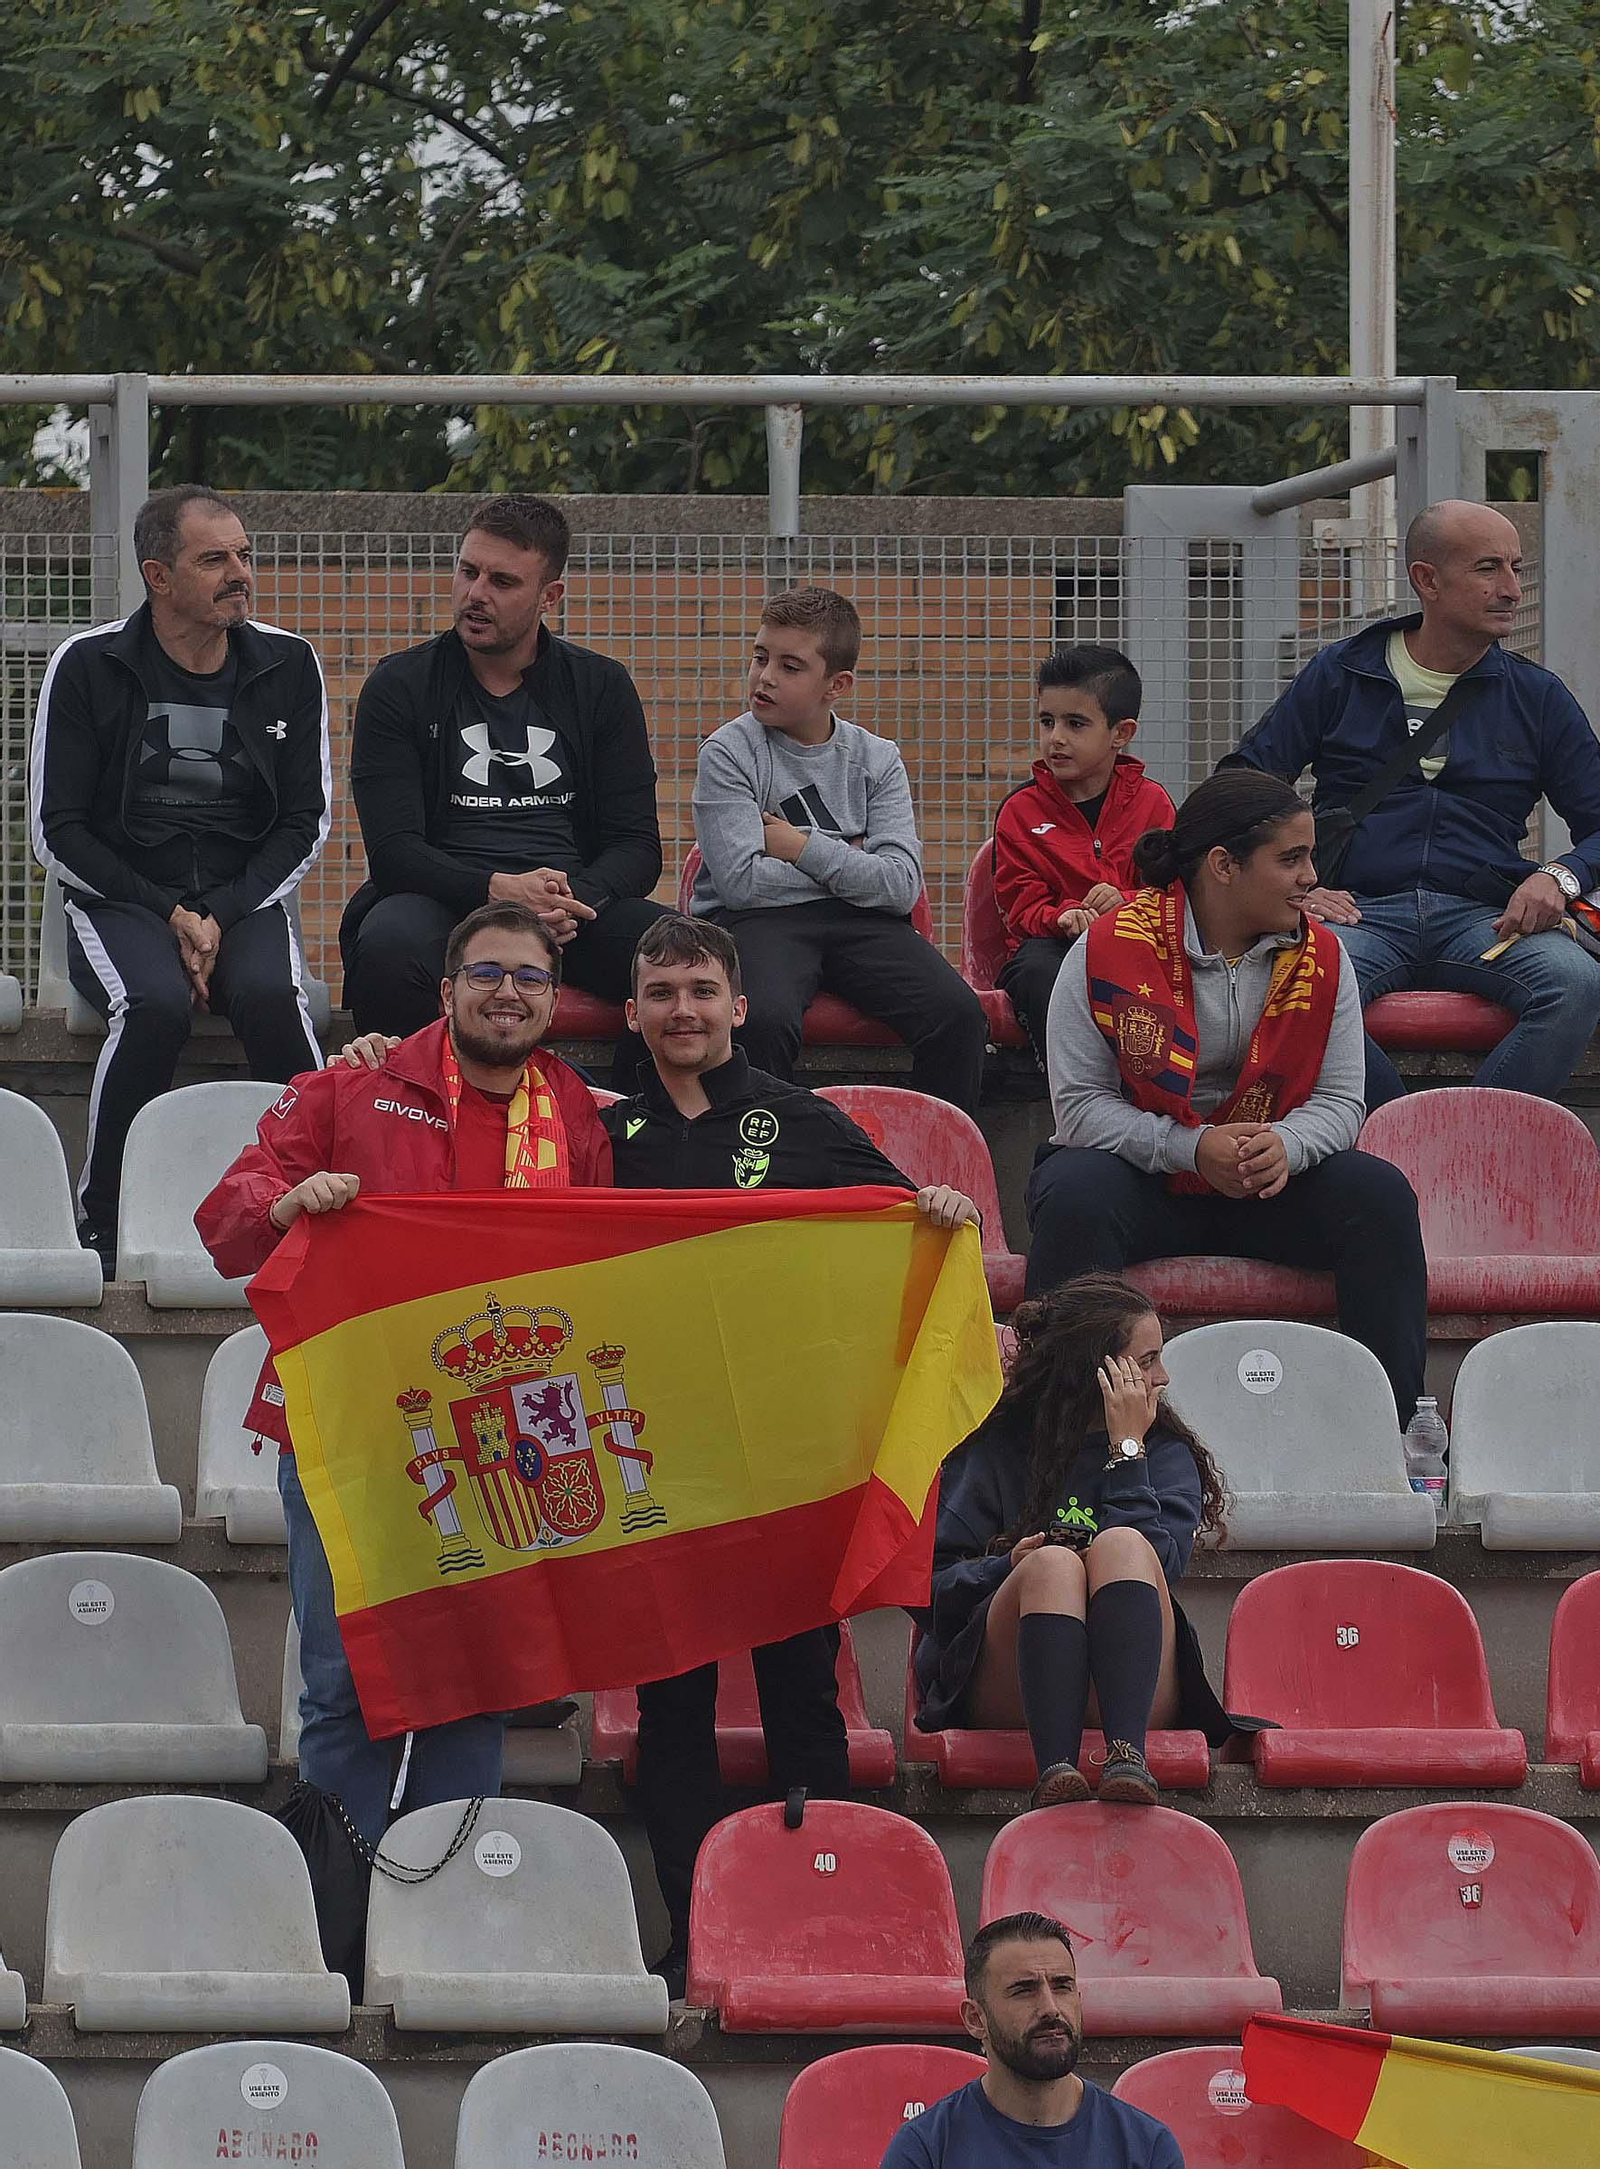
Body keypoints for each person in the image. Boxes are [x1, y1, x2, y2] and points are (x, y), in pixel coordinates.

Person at [601, 911, 982, 1990]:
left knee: (801, 1702)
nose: (683, 1011)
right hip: (657, 1465)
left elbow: (895, 1221)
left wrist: (938, 1210)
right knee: (670, 1711)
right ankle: (695, 1936)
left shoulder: (796, 1119)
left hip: (781, 1463)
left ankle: (828, 1928)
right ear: (633, 1015)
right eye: (662, 994)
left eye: (701, 992)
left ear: (739, 1007)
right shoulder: (604, 1139)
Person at [193, 901, 611, 1848]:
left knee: (475, 1688)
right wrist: (287, 1200)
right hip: (356, 1426)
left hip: (513, 1435)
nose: (509, 991)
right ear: (447, 989)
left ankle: (443, 1923)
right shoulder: (353, 1085)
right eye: (488, 972)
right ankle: (340, 1929)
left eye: (530, 977)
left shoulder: (580, 1115)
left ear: (555, 999)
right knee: (344, 1686)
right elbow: (224, 1213)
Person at [1024, 769, 1427, 1429]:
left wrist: (1288, 1146)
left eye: (1310, 857)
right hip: (1143, 1181)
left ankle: (1392, 1440)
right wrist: (1188, 1148)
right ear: (1223, 865)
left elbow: (1340, 1102)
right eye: (1290, 858)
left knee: (1377, 1194)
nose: (1310, 876)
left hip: (1264, 1187)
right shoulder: (1107, 949)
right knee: (1075, 1191)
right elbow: (1081, 1109)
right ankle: (1054, 1440)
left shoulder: (1325, 957)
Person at [29, 484, 329, 1269]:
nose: (241, 572)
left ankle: (321, 1197)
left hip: (242, 895)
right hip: (121, 893)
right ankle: (102, 1221)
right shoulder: (89, 664)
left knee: (273, 996)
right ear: (159, 577)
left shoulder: (289, 663)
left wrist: (219, 914)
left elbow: (307, 820)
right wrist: (171, 913)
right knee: (154, 1003)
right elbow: (58, 830)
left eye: (244, 554)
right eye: (215, 559)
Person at [1225, 498, 1600, 1105]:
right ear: (1426, 579)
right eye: (1488, 569)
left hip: (1485, 918)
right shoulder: (1341, 673)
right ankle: (1399, 1144)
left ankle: (1468, 1143)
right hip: (1356, 911)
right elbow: (1241, 788)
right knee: (1292, 985)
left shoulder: (1537, 697)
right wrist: (1293, 890)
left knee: (1577, 983)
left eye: (1516, 568)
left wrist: (1558, 878)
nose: (1510, 589)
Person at [338, 493, 665, 1070]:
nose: (475, 594)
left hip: (570, 908)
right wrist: (500, 890)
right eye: (468, 571)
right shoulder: (400, 686)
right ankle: (407, 1118)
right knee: (389, 942)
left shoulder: (601, 688)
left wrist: (573, 901)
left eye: (503, 581)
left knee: (675, 958)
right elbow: (394, 855)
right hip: (444, 899)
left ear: (550, 597)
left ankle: (626, 1128)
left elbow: (637, 847)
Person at [914, 1276, 1234, 1811]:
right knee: (1054, 1567)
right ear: (1097, 1371)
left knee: (1123, 1547)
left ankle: (1127, 1757)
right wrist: (1006, 1568)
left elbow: (1165, 1564)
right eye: (1148, 1360)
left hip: (1133, 1685)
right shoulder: (995, 1448)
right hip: (1017, 1681)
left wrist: (1128, 1451)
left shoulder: (1167, 1452)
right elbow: (927, 1589)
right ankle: (1054, 1771)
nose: (1163, 1377)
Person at [690, 584, 989, 1112]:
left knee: (959, 1016)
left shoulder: (877, 758)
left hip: (863, 923)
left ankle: (936, 1173)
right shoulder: (728, 752)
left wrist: (797, 845)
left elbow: (899, 887)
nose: (765, 677)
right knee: (760, 1019)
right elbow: (740, 883)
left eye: (790, 666)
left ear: (836, 685)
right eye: (760, 657)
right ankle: (764, 1176)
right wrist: (853, 862)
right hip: (759, 922)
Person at [882, 1912, 1184, 2167]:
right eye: (1024, 1990)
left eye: (1062, 1986)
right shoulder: (926, 2150)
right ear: (975, 2019)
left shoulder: (1147, 2148)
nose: (1051, 2008)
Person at [993, 646, 1175, 1058]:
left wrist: (1125, 903)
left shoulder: (1154, 804)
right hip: (1050, 945)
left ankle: (1154, 1096)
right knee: (1038, 973)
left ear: (1121, 734)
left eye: (1076, 724)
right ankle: (1067, 1091)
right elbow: (1018, 906)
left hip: (1135, 940)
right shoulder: (1020, 812)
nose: (1056, 738)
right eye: (1047, 721)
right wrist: (1062, 916)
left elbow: (1172, 893)